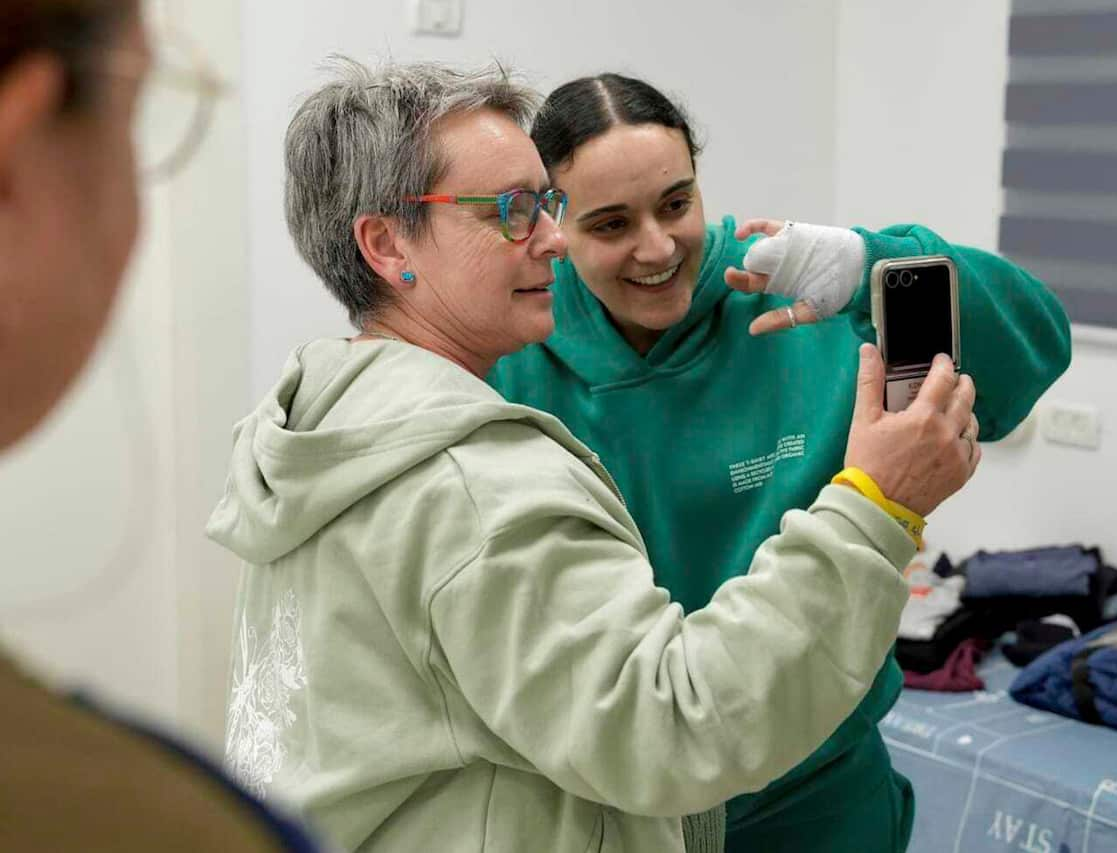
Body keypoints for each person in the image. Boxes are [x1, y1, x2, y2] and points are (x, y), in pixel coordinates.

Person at [207, 58, 982, 853]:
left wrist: (865, 259)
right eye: (512, 211)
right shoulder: (472, 483)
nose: (552, 239)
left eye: (545, 204)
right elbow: (677, 726)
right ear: (385, 243)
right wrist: (873, 507)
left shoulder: (327, 429)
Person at [487, 72, 1073, 853]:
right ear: (555, 222)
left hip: (817, 790)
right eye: (610, 224)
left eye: (675, 203)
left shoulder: (795, 294)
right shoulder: (512, 352)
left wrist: (875, 259)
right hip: (614, 802)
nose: (657, 248)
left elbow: (1037, 346)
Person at [0, 1, 320, 850]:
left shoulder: (294, 427)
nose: (546, 239)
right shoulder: (125, 817)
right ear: (13, 147)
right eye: (138, 113)